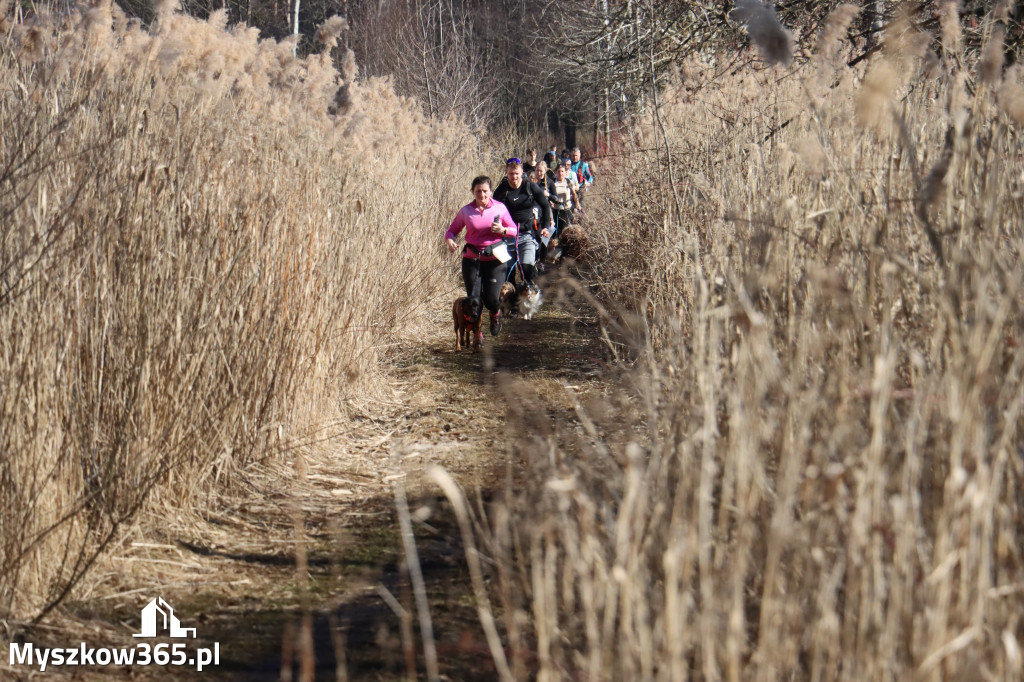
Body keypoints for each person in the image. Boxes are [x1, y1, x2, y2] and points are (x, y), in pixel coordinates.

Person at [445, 175, 518, 336]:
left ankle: (494, 315)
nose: (482, 195)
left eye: (485, 191)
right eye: (478, 191)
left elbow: (514, 230)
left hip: (495, 260)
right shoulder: (466, 211)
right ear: (473, 192)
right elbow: (451, 231)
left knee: (492, 299)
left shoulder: (500, 208)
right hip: (472, 259)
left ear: (491, 191)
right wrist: (450, 240)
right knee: (473, 300)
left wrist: (503, 230)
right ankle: (478, 334)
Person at [492, 158, 553, 286]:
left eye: (516, 174)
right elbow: (493, 211)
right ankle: (512, 302)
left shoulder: (530, 186)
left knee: (526, 269)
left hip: (527, 234)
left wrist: (545, 227)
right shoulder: (501, 190)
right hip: (507, 235)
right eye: (511, 174)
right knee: (508, 273)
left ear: (522, 172)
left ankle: (529, 298)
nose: (514, 177)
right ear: (506, 172)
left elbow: (545, 206)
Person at [550, 163, 579, 232]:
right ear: (556, 172)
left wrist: (577, 204)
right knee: (556, 230)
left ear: (565, 172)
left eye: (562, 171)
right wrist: (551, 202)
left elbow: (574, 194)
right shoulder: (552, 183)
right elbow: (550, 195)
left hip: (566, 209)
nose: (560, 173)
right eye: (559, 171)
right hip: (556, 209)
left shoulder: (569, 182)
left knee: (565, 229)